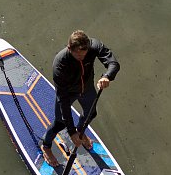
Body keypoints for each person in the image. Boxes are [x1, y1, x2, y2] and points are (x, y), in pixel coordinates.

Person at [41, 30, 120, 166]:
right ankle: (46, 146)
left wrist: (107, 76)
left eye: (84, 54)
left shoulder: (94, 46)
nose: (82, 57)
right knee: (60, 123)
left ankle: (80, 131)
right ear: (69, 48)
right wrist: (71, 133)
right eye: (78, 55)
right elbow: (63, 101)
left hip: (87, 89)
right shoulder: (60, 64)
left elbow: (113, 63)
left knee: (91, 113)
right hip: (67, 93)